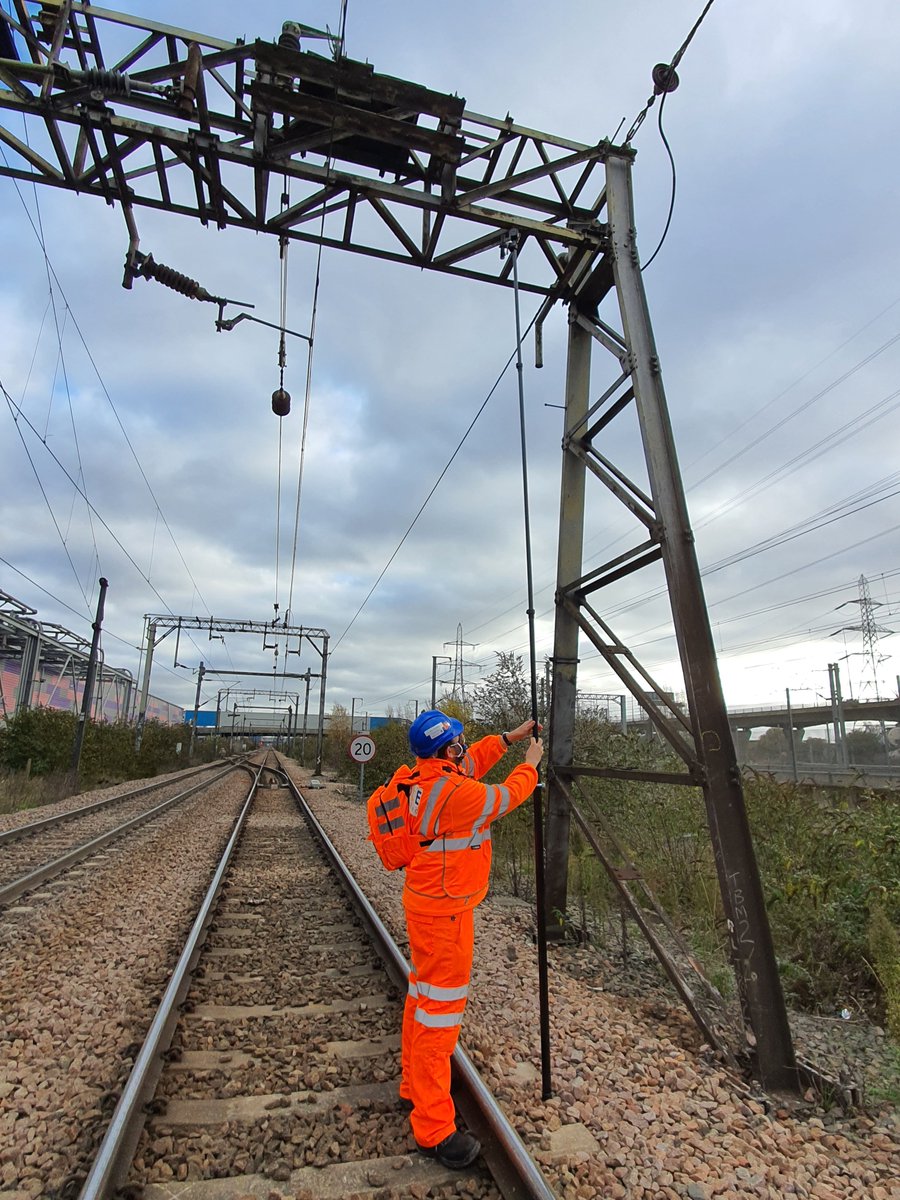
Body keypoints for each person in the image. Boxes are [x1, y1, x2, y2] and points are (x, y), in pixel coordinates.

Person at [396, 708, 544, 1169]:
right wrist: (531, 762)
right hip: (446, 915)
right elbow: (505, 796)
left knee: (420, 998)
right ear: (445, 750)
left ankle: (412, 1086)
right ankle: (434, 1129)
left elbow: (476, 760)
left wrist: (511, 736)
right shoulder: (455, 794)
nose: (464, 747)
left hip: (426, 903)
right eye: (457, 742)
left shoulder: (426, 777)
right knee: (440, 1019)